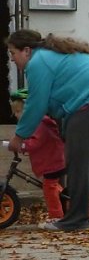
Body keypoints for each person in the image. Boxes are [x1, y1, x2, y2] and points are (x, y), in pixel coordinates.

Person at [6, 29, 89, 231]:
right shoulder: (48, 57)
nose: (12, 60)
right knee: (87, 161)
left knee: (78, 163)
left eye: (13, 53)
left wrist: (19, 136)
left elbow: (35, 105)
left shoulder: (38, 63)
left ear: (27, 51)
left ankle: (76, 219)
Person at [8, 89, 66, 220]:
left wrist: (22, 145)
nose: (16, 115)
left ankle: (56, 217)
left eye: (18, 112)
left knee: (49, 188)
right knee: (52, 186)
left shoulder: (39, 124)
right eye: (15, 112)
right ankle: (67, 204)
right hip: (51, 161)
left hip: (53, 162)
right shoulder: (34, 124)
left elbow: (35, 142)